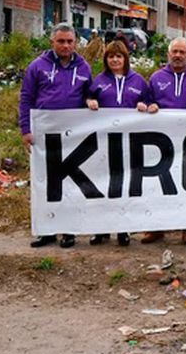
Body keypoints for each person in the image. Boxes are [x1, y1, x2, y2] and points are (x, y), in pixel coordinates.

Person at [19, 23, 92, 248]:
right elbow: (26, 97)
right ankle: (46, 231)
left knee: (70, 184)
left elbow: (89, 94)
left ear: (75, 43)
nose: (66, 45)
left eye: (70, 41)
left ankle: (68, 230)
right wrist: (25, 130)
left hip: (72, 134)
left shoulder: (84, 67)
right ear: (53, 42)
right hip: (44, 135)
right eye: (61, 41)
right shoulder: (37, 66)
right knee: (45, 183)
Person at [85, 40, 152, 246]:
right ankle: (101, 229)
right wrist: (89, 102)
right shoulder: (99, 81)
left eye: (119, 56)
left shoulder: (138, 81)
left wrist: (146, 105)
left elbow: (151, 102)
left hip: (128, 143)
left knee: (123, 186)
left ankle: (123, 229)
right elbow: (85, 100)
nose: (115, 60)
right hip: (104, 142)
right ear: (106, 59)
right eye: (111, 56)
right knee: (102, 185)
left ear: (125, 59)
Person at [140, 36, 186, 246]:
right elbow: (147, 100)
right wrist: (150, 106)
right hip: (161, 140)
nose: (177, 56)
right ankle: (156, 227)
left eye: (181, 52)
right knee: (158, 184)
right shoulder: (157, 77)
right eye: (174, 51)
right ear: (169, 54)